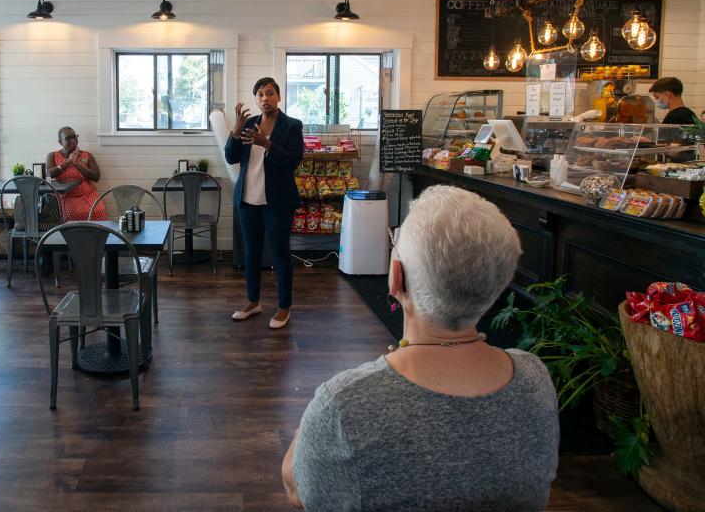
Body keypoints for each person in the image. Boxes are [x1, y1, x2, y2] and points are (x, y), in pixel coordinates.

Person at [282, 185, 559, 511]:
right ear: (496, 285)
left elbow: (298, 489)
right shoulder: (535, 378)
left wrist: (305, 433)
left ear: (395, 278)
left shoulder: (343, 403)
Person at [225, 77, 304, 329]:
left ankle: (284, 307)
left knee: (280, 253)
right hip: (248, 198)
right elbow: (231, 157)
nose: (265, 98)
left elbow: (292, 161)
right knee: (252, 252)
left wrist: (267, 144)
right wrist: (236, 131)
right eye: (260, 94)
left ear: (278, 97)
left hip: (277, 201)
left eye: (270, 93)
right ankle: (253, 301)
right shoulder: (249, 123)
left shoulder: (291, 125)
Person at [45, 126, 106, 221]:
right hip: (67, 196)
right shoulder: (52, 155)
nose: (73, 140)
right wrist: (68, 161)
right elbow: (49, 174)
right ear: (60, 142)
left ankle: (96, 235)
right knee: (73, 214)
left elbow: (96, 177)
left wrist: (77, 163)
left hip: (88, 194)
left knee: (98, 210)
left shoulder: (86, 155)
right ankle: (75, 235)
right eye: (68, 138)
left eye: (75, 137)